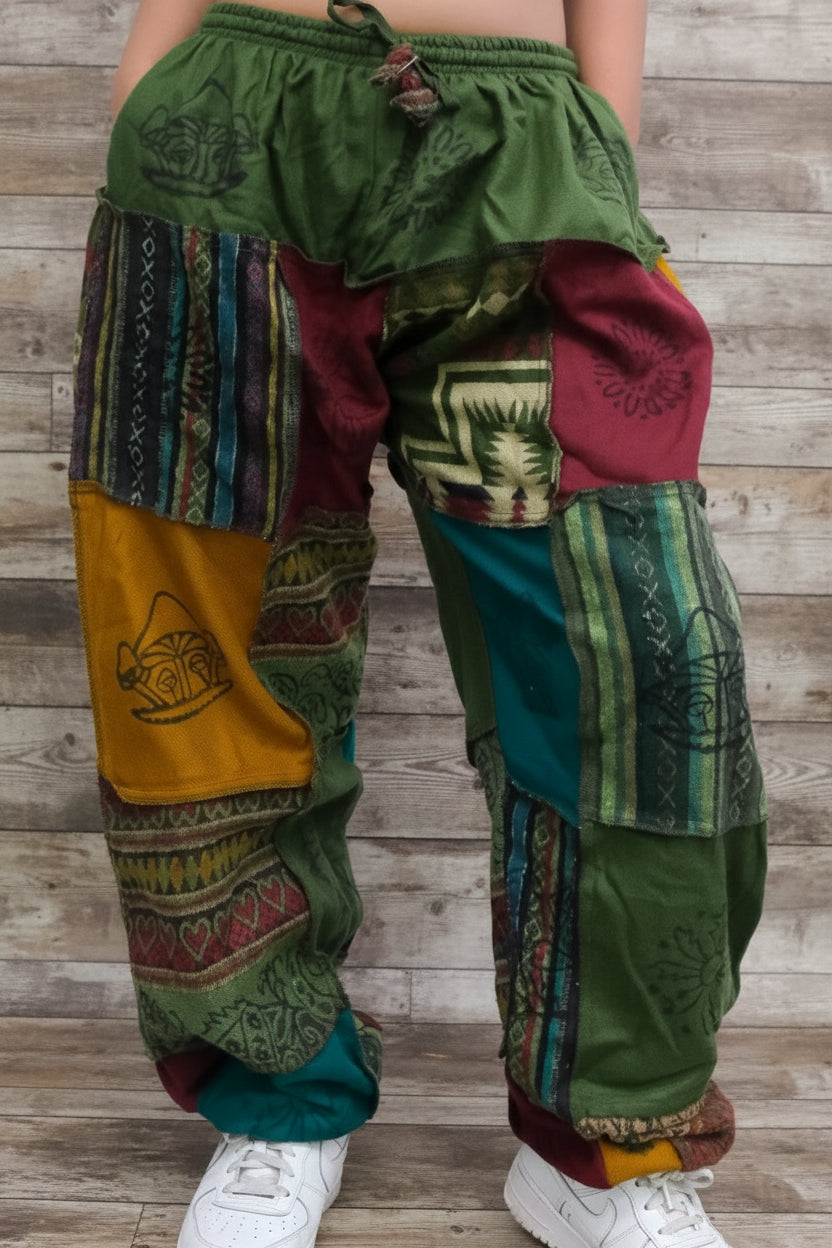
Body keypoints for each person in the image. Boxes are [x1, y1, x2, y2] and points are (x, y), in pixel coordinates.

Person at [69, 1, 768, 1245]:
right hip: (229, 137)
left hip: (524, 146)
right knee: (200, 657)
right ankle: (280, 1103)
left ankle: (601, 1146)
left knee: (635, 663)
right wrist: (147, 101)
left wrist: (596, 142)